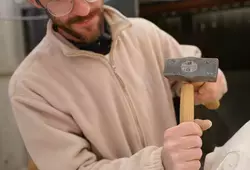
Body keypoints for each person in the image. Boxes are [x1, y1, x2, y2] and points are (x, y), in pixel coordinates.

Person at [8, 0, 228, 170]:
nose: (84, 10)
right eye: (62, 1)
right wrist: (158, 162)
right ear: (36, 2)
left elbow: (188, 66)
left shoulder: (145, 34)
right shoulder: (31, 85)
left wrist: (213, 81)